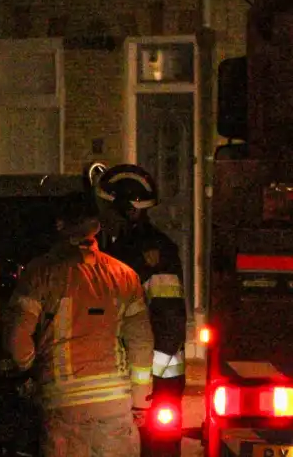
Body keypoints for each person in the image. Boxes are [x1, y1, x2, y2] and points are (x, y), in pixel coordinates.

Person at [4, 195, 155, 457]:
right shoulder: (125, 275)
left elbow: (18, 342)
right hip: (115, 410)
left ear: (59, 225)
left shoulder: (40, 273)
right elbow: (141, 343)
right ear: (96, 228)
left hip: (63, 411)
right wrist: (141, 400)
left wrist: (27, 369)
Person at [97, 164, 187, 457]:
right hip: (143, 381)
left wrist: (149, 383)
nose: (102, 216)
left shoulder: (147, 253)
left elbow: (169, 320)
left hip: (154, 383)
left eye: (108, 208)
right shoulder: (121, 249)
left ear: (128, 209)